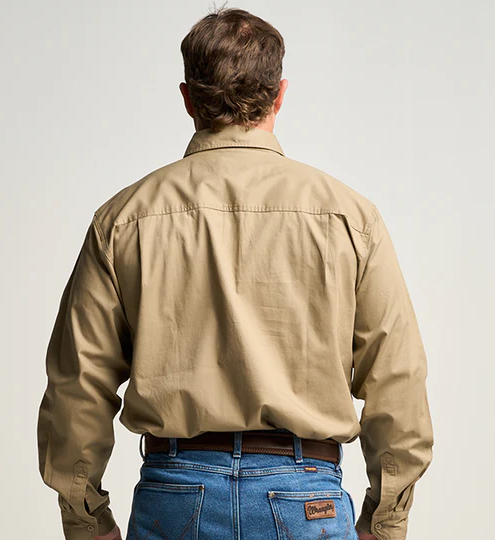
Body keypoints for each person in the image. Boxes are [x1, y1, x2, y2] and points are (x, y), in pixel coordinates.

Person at [37, 6, 434, 540]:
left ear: (187, 99)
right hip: (307, 498)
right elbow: (397, 377)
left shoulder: (123, 220)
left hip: (174, 496)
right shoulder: (350, 218)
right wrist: (385, 521)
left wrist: (85, 520)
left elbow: (77, 383)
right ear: (280, 96)